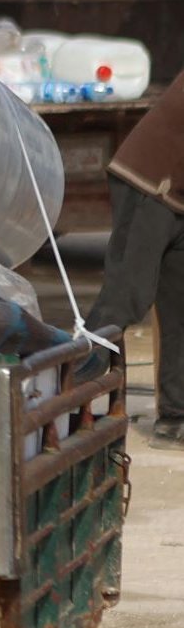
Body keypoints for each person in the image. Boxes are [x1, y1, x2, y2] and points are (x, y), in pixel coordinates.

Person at [86, 67, 184, 446]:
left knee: (179, 308)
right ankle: (63, 393)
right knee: (128, 296)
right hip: (149, 182)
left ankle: (175, 417)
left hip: (176, 194)